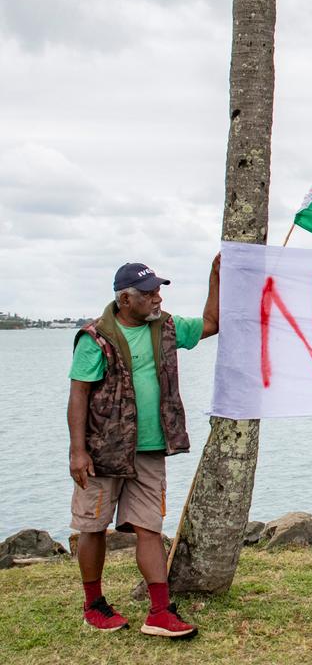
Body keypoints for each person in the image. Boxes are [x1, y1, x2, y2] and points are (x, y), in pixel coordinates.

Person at [68, 258, 219, 638]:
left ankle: (160, 612)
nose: (157, 298)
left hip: (150, 448)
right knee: (94, 526)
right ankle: (94, 605)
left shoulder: (166, 327)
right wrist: (77, 451)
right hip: (103, 451)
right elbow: (79, 395)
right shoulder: (95, 338)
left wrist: (216, 277)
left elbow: (211, 324)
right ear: (125, 299)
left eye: (158, 290)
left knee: (150, 527)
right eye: (149, 293)